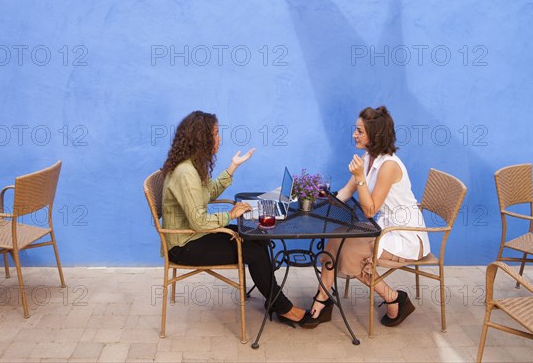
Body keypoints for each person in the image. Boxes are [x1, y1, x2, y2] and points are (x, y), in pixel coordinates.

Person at [161, 111, 306, 326]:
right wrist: (230, 214)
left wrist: (232, 166)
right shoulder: (186, 172)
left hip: (196, 235)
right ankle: (282, 307)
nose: (220, 138)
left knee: (257, 236)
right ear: (203, 139)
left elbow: (208, 194)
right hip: (184, 245)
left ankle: (273, 298)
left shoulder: (193, 165)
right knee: (254, 252)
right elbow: (198, 222)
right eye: (216, 134)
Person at [305, 106, 429, 328]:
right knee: (334, 238)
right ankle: (323, 298)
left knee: (350, 251)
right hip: (381, 226)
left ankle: (393, 297)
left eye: (360, 131)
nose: (354, 134)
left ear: (376, 135)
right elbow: (345, 193)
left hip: (404, 234)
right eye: (356, 130)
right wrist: (314, 203)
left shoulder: (389, 165)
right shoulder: (369, 156)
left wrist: (360, 177)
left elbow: (370, 209)